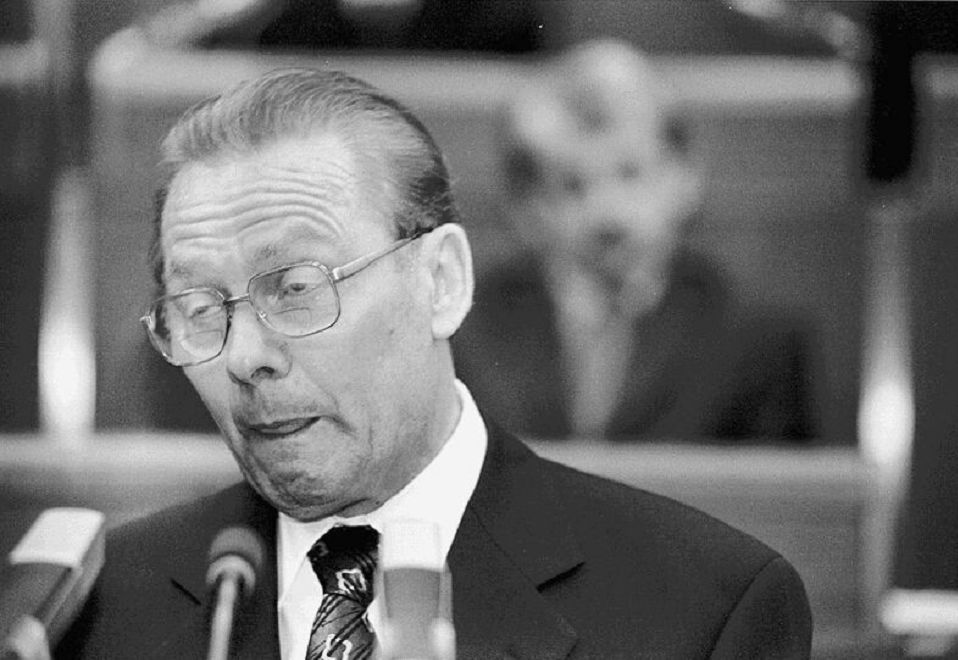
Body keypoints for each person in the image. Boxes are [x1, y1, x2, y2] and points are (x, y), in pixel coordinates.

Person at [57, 67, 812, 659]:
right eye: (201, 310)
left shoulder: (705, 610)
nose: (247, 357)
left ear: (441, 282)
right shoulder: (89, 613)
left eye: (296, 288)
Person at [454, 39, 817, 442]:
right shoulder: (465, 330)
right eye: (573, 185)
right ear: (530, 207)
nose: (606, 214)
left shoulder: (754, 336)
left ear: (686, 176)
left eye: (630, 174)